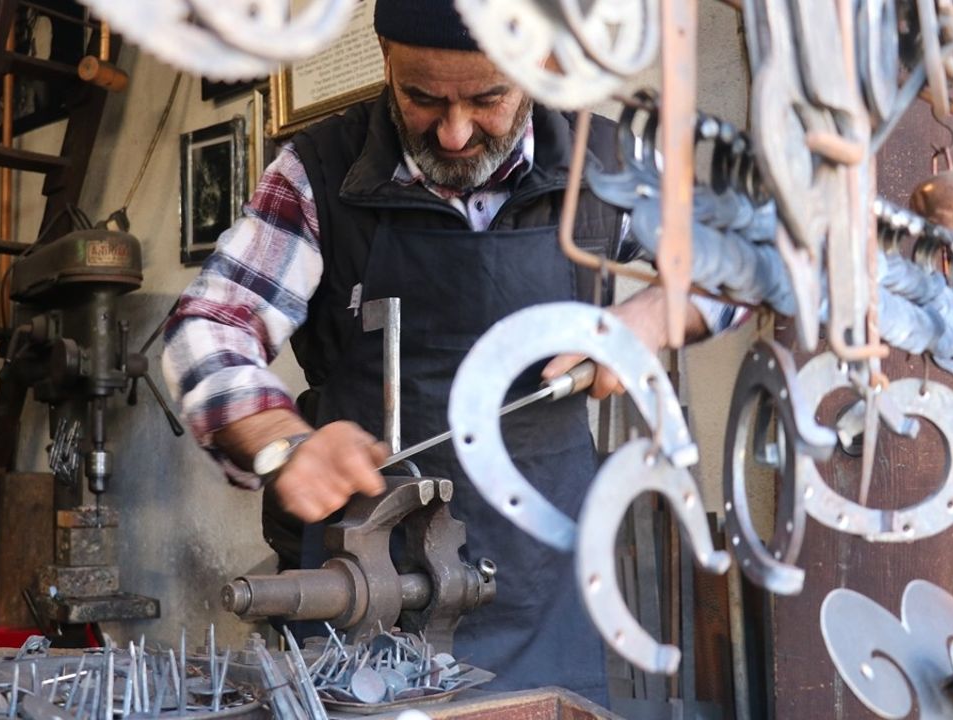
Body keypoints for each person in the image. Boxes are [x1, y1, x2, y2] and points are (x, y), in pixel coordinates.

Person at [163, 0, 734, 703]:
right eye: (422, 98)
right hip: (363, 582)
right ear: (385, 60)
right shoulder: (317, 171)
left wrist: (656, 312)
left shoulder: (610, 162)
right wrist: (280, 441)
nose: (456, 132)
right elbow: (209, 325)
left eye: (487, 99)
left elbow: (749, 262)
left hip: (544, 575)